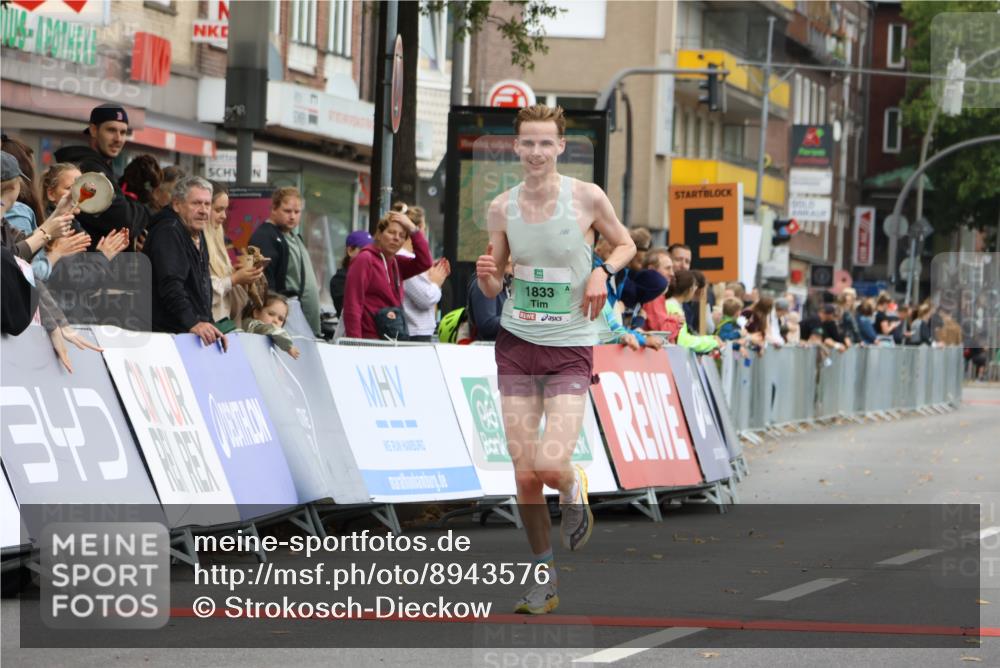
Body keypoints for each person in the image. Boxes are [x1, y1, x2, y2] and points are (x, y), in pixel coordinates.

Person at [476, 104, 636, 616]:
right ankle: (544, 582)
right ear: (516, 147)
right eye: (528, 142)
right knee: (524, 474)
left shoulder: (586, 197)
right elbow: (495, 281)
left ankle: (571, 483)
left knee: (548, 463)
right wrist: (488, 277)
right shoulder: (502, 206)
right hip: (517, 344)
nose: (537, 152)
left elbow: (626, 244)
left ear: (561, 147)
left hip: (569, 346)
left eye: (546, 142)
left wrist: (602, 272)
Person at [53, 104, 150, 250]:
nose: (118, 138)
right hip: (86, 258)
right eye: (111, 130)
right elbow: (124, 220)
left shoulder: (103, 167)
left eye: (123, 132)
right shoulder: (87, 168)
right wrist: (144, 210)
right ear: (93, 130)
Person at [143, 176, 225, 348]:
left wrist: (209, 323)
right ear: (177, 205)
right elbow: (171, 285)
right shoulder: (168, 231)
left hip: (188, 335)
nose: (203, 210)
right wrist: (193, 322)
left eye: (207, 204)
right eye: (196, 203)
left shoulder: (196, 230)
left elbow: (202, 288)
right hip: (167, 339)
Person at [342, 210, 431, 340]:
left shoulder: (397, 262)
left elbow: (425, 262)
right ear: (379, 234)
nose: (396, 238)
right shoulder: (365, 259)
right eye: (391, 232)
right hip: (369, 341)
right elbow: (352, 304)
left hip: (393, 339)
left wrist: (413, 230)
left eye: (402, 235)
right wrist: (355, 343)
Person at [249, 187, 322, 337]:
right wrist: (274, 313)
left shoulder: (292, 236)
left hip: (298, 314)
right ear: (274, 209)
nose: (292, 216)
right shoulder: (266, 236)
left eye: (297, 212)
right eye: (287, 211)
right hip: (284, 312)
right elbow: (265, 282)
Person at [205, 181, 263, 327]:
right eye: (218, 210)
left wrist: (240, 276)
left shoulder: (216, 239)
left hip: (221, 324)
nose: (224, 216)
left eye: (225, 210)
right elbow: (201, 291)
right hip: (208, 326)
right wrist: (234, 279)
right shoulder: (197, 241)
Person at [394, 202, 451, 342]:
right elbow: (425, 299)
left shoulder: (403, 257)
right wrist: (436, 282)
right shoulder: (404, 258)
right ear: (418, 228)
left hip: (416, 330)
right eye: (424, 228)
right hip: (414, 332)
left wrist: (430, 275)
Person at [663, 269, 720, 353]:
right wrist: (713, 342)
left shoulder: (671, 305)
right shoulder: (674, 308)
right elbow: (683, 341)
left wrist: (710, 339)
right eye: (694, 287)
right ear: (689, 289)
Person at [241, 292, 301, 359]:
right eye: (271, 314)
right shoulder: (254, 325)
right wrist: (289, 347)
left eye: (280, 319)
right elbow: (273, 330)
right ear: (257, 313)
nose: (275, 320)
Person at [330, 229, 373, 316]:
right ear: (350, 251)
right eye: (364, 251)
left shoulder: (373, 275)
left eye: (372, 252)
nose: (369, 256)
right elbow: (349, 309)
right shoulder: (340, 279)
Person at [639, 247, 673, 332]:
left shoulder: (653, 291)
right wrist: (676, 321)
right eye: (667, 268)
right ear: (652, 270)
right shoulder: (653, 293)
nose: (672, 273)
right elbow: (661, 330)